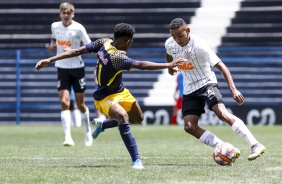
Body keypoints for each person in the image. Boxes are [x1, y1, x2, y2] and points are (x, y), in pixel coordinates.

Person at [35, 23, 185, 169]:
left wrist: (49, 59)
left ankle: (102, 124)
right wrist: (168, 65)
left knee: (138, 118)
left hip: (121, 92)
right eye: (131, 42)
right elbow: (140, 65)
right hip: (104, 96)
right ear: (127, 41)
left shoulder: (104, 42)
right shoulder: (117, 57)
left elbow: (76, 51)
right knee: (122, 117)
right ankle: (136, 160)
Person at [165, 18, 266, 162]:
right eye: (174, 36)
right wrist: (170, 67)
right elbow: (169, 53)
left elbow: (222, 67)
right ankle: (223, 146)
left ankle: (255, 144)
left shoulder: (200, 45)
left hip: (206, 83)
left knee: (222, 113)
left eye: (180, 36)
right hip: (189, 87)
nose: (177, 40)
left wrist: (233, 90)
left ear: (188, 31)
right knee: (189, 126)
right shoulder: (170, 43)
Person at [46, 2, 92, 147]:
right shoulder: (55, 26)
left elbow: (89, 46)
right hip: (61, 68)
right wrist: (52, 46)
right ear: (60, 14)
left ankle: (87, 130)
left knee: (80, 104)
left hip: (77, 68)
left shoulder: (79, 28)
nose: (66, 15)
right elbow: (53, 39)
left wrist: (73, 50)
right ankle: (68, 137)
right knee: (65, 102)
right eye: (63, 13)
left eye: (68, 13)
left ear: (73, 14)